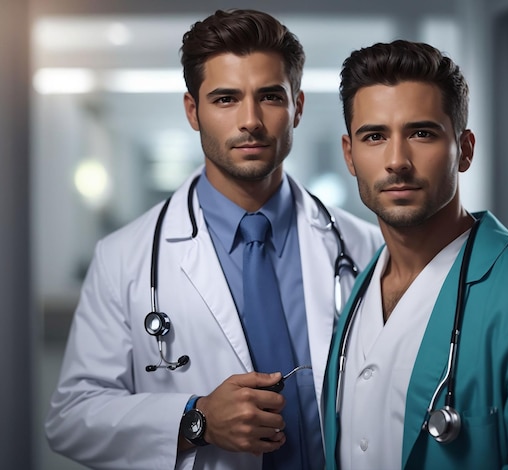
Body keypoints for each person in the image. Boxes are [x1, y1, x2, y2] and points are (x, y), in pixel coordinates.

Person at [45, 9, 382, 470]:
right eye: (225, 99)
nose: (250, 121)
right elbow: (71, 417)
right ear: (192, 111)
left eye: (269, 97)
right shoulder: (124, 258)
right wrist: (195, 419)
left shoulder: (366, 248)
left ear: (297, 107)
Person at [322, 40, 508, 469]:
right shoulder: (357, 291)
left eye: (421, 133)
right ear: (350, 155)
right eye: (375, 136)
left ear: (465, 149)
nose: (397, 160)